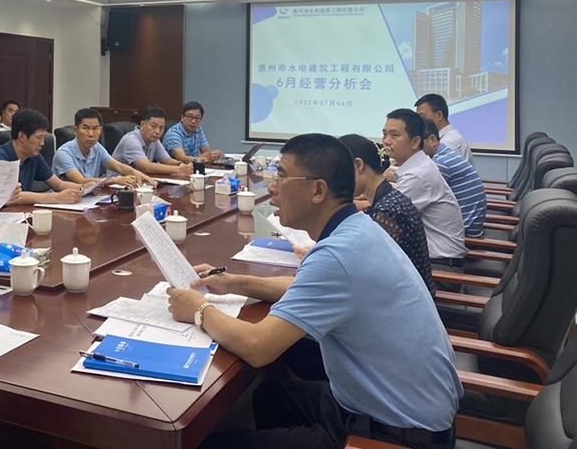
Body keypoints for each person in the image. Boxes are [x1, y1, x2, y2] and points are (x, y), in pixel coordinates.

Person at [166, 134, 460, 449]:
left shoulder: (338, 254)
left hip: (397, 433)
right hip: (400, 404)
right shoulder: (357, 228)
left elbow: (257, 346)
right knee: (270, 397)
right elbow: (300, 287)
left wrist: (198, 310)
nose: (272, 187)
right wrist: (232, 282)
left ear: (318, 190)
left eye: (280, 177)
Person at [339, 134, 435, 296]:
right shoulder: (387, 198)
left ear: (358, 165)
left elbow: (370, 269)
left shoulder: (387, 211)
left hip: (408, 301)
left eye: (338, 173)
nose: (337, 181)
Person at [382, 109, 466, 272]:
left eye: (394, 135)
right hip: (429, 260)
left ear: (415, 142)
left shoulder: (418, 176)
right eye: (384, 134)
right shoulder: (419, 166)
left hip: (439, 268)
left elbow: (385, 219)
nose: (386, 141)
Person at [0, 108, 82, 205]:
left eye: (44, 138)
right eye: (39, 138)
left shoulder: (34, 156)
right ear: (22, 136)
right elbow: (10, 196)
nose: (42, 143)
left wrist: (83, 188)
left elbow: (58, 184)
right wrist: (57, 197)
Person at [53, 108, 155, 188]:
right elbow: (80, 181)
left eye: (95, 128)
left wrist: (143, 177)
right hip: (65, 201)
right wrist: (115, 180)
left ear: (100, 130)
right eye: (85, 128)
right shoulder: (63, 153)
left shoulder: (96, 147)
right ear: (75, 130)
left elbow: (119, 167)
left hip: (89, 197)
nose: (91, 134)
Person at [421, 119, 486, 238]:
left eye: (417, 142)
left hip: (462, 235)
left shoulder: (440, 163)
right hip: (466, 225)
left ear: (432, 140)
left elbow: (416, 195)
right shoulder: (445, 154)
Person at [111, 106, 192, 178]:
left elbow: (167, 160)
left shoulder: (154, 140)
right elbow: (146, 167)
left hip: (139, 181)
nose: (157, 131)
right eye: (153, 126)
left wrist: (182, 165)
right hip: (116, 184)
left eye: (161, 128)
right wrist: (178, 169)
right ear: (142, 124)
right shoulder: (131, 140)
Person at [415, 93, 472, 163]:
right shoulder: (445, 138)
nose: (419, 121)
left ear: (439, 115)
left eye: (422, 117)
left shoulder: (448, 142)